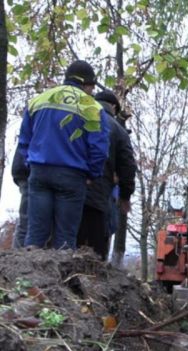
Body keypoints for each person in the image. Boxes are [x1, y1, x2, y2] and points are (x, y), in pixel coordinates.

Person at [18, 60, 110, 250]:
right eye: (92, 87)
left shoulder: (39, 100)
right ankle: (62, 279)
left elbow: (24, 140)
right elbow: (99, 149)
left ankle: (27, 280)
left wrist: (31, 163)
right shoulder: (92, 108)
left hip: (39, 172)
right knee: (66, 238)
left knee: (35, 235)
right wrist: (92, 174)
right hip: (72, 176)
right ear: (86, 84)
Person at [77, 89, 136, 260]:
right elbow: (127, 166)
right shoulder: (117, 129)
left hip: (73, 185)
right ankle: (96, 278)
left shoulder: (79, 117)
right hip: (99, 190)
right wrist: (126, 195)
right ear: (113, 107)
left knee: (71, 236)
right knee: (97, 238)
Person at [11, 147, 29, 248]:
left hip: (24, 170)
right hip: (27, 171)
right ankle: (18, 256)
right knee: (26, 221)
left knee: (26, 219)